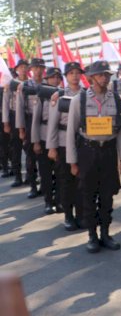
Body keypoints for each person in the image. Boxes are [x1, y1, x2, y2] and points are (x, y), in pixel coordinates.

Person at [66, 60, 121, 253]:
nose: (104, 78)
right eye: (101, 75)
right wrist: (72, 161)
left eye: (107, 75)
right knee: (88, 195)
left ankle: (105, 234)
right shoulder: (80, 99)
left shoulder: (118, 100)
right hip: (88, 151)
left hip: (108, 152)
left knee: (107, 195)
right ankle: (92, 236)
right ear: (91, 77)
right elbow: (70, 131)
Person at [47, 61, 85, 231]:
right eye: (71, 73)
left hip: (83, 142)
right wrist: (52, 147)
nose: (75, 76)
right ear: (66, 76)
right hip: (63, 143)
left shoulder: (87, 94)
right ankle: (68, 216)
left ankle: (81, 215)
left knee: (82, 181)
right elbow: (52, 124)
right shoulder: (59, 96)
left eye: (78, 73)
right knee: (66, 181)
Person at [31, 67, 63, 214]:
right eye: (52, 77)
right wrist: (36, 141)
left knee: (61, 172)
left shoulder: (64, 95)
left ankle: (60, 200)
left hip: (60, 138)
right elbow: (35, 120)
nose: (55, 80)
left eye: (58, 77)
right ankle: (48, 201)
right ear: (47, 79)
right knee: (45, 172)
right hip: (44, 137)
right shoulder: (42, 96)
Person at [16, 57, 46, 199]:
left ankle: (45, 186)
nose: (38, 70)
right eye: (36, 68)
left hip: (45, 123)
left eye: (41, 67)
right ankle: (33, 186)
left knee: (45, 158)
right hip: (29, 122)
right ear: (31, 70)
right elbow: (20, 109)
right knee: (30, 156)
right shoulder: (25, 86)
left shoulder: (48, 85)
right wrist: (21, 129)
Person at [3, 59, 29, 189]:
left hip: (29, 117)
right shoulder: (11, 84)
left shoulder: (31, 83)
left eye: (25, 67)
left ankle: (31, 176)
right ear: (17, 69)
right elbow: (6, 104)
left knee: (30, 148)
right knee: (16, 148)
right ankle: (18, 176)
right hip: (14, 117)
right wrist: (6, 122)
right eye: (21, 67)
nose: (23, 69)